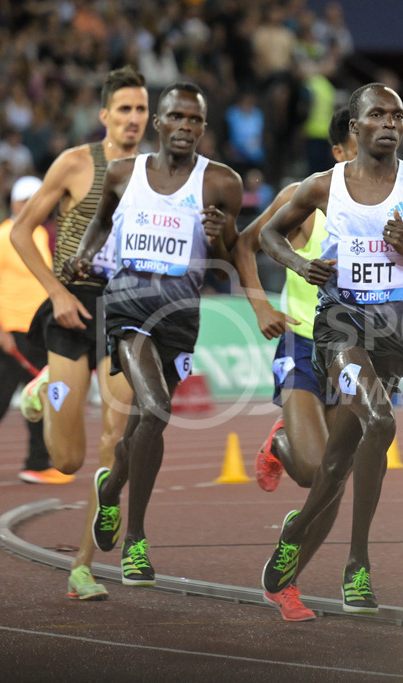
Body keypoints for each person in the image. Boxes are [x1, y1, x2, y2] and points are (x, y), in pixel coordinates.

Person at [259, 83, 403, 616]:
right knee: (380, 422)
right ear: (355, 128)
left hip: (394, 336)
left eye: (397, 114)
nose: (390, 122)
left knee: (336, 460)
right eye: (377, 114)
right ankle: (358, 563)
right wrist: (301, 264)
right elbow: (268, 237)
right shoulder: (323, 187)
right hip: (338, 328)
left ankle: (297, 531)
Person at [65, 81, 242, 588]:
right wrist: (85, 253)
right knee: (157, 406)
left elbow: (230, 260)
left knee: (148, 421)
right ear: (158, 123)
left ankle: (110, 487)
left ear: (203, 129)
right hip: (126, 305)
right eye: (177, 117)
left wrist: (219, 237)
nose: (185, 126)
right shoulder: (124, 174)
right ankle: (136, 541)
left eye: (195, 120)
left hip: (181, 315)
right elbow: (100, 224)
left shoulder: (221, 183)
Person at [9, 66, 148, 601]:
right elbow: (22, 231)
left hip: (128, 312)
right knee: (66, 461)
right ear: (105, 115)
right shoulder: (74, 163)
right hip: (73, 309)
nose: (133, 119)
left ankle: (84, 567)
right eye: (125, 109)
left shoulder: (160, 174)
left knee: (118, 441)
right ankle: (48, 385)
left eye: (141, 110)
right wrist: (58, 292)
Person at [235, 106, 356, 621]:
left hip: (359, 352)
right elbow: (245, 243)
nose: (382, 147)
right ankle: (281, 442)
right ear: (339, 152)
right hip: (305, 346)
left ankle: (287, 580)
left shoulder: (401, 200)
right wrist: (262, 305)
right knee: (312, 471)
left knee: (335, 480)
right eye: (364, 137)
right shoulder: (307, 198)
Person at [0, 176, 73, 486]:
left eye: (39, 199)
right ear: (16, 203)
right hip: (10, 331)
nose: (35, 205)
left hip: (38, 332)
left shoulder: (43, 236)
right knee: (0, 399)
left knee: (38, 398)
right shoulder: (1, 237)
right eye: (28, 199)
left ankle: (38, 464)